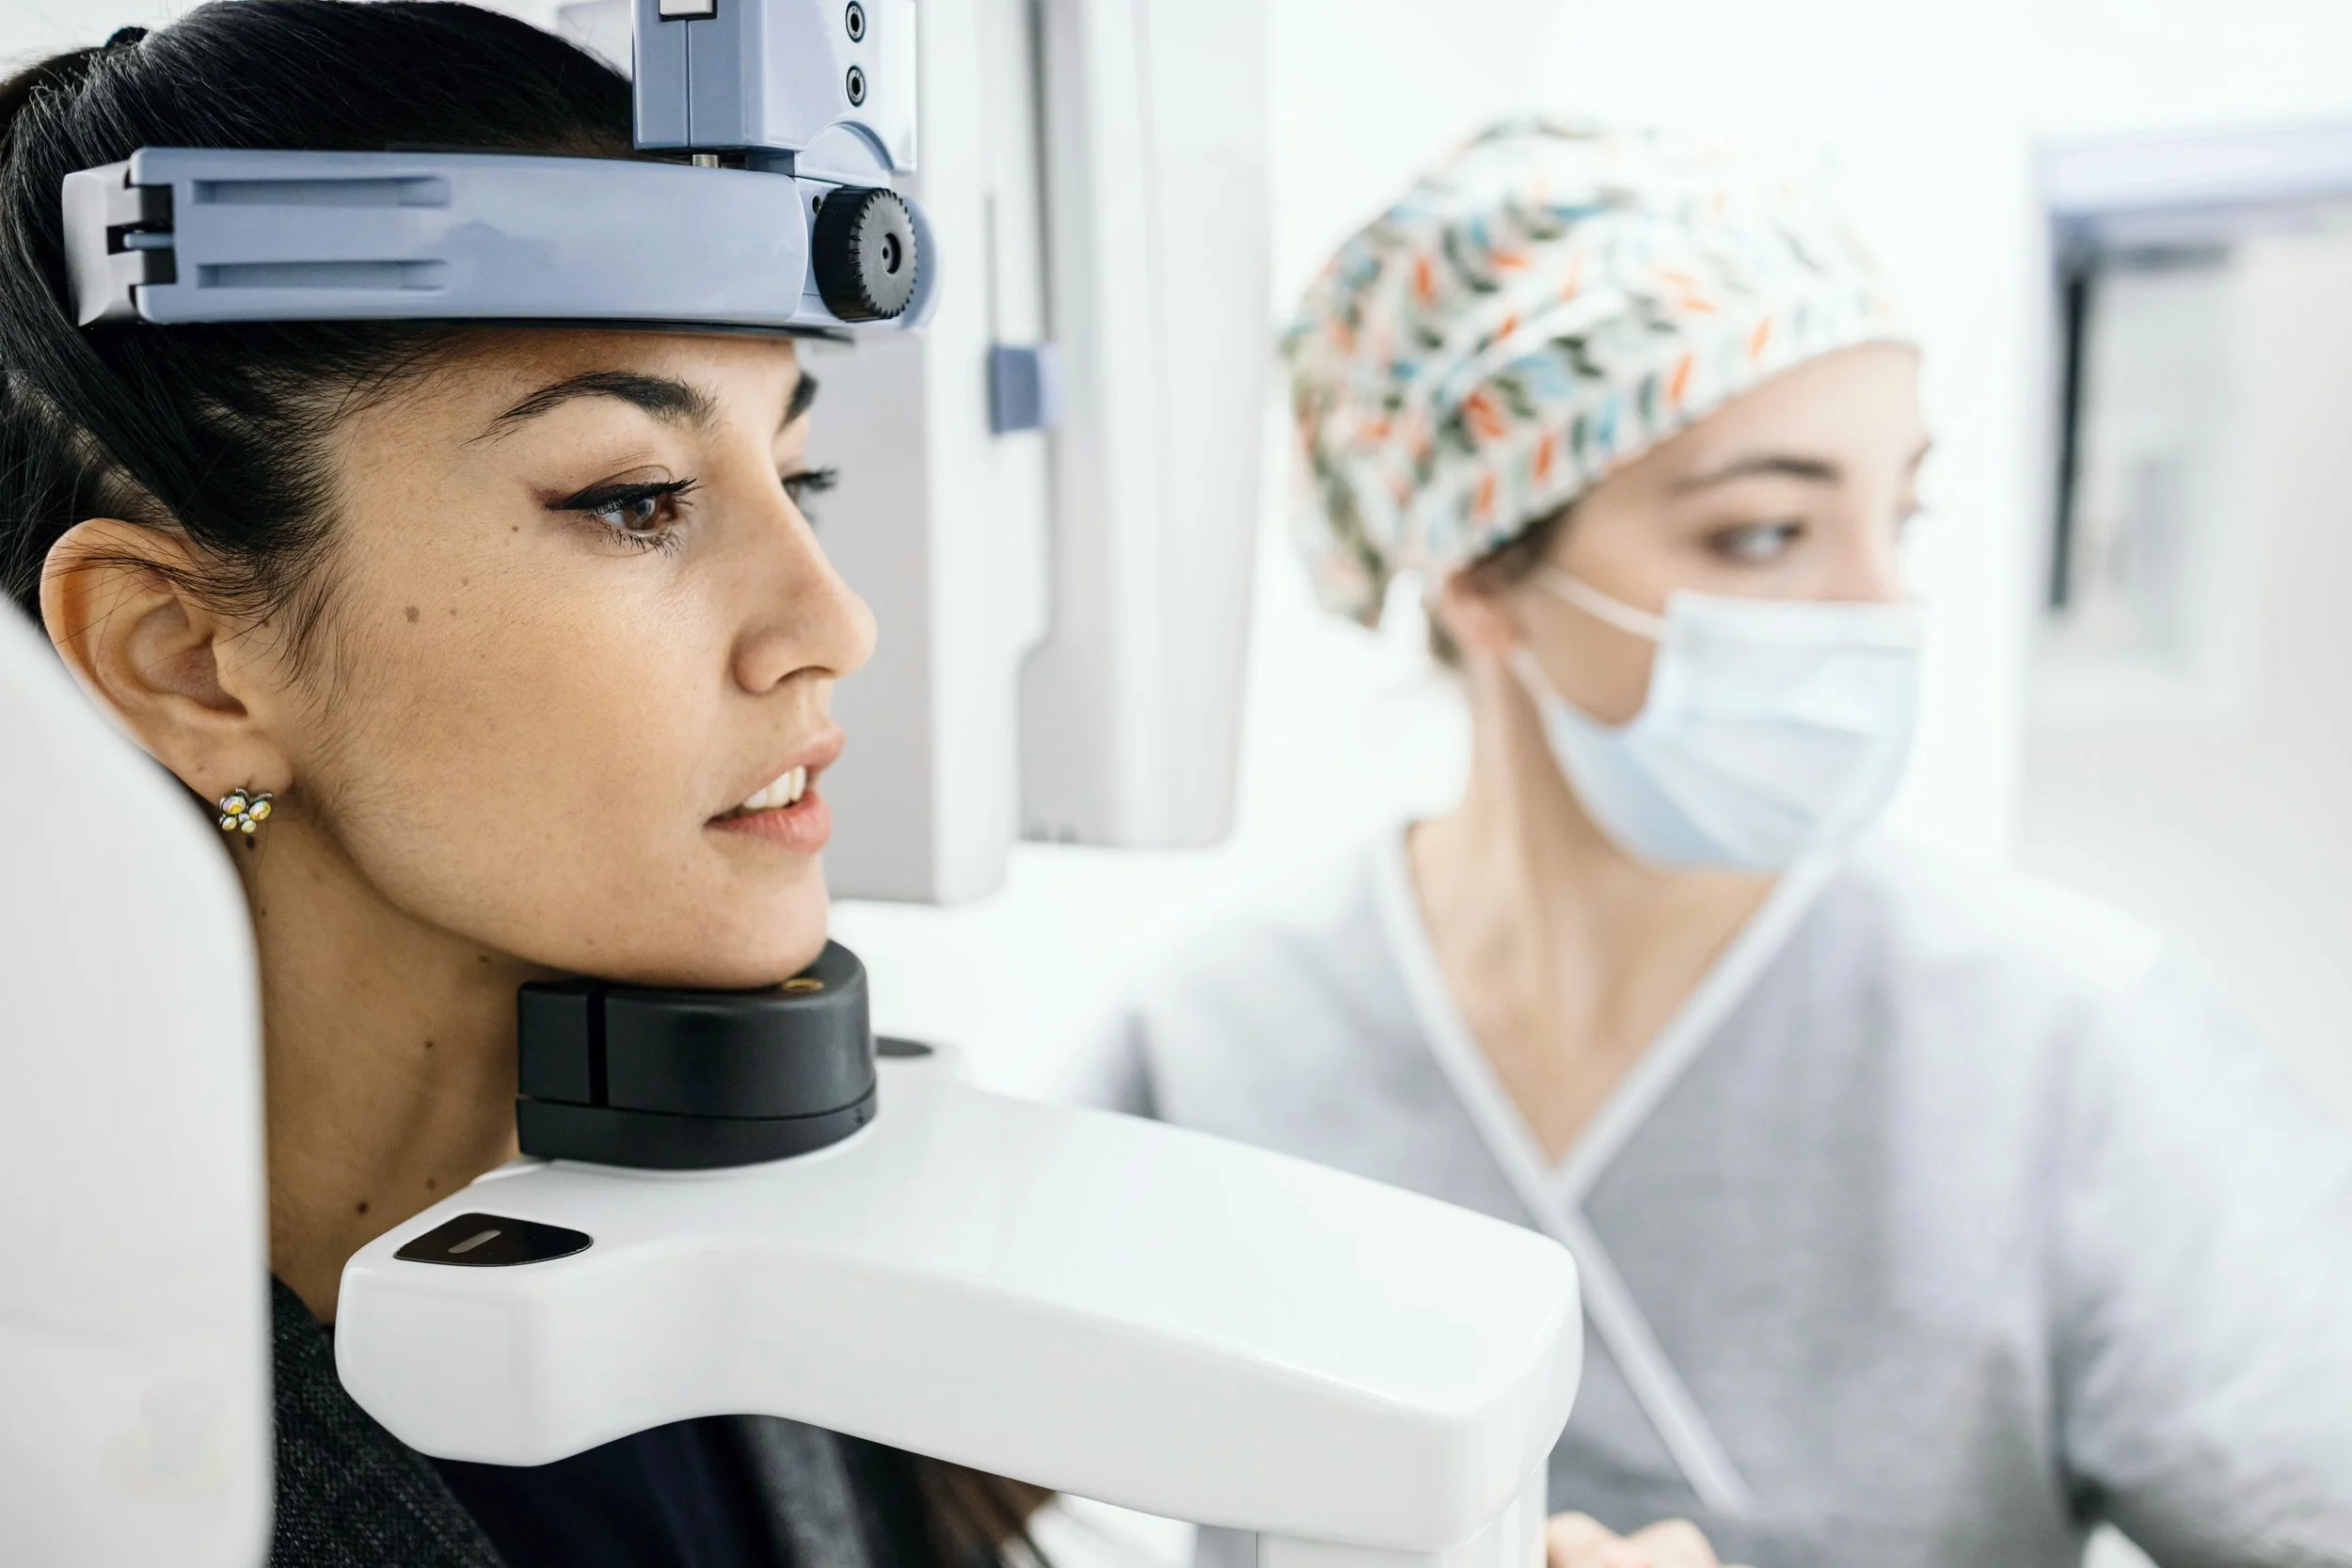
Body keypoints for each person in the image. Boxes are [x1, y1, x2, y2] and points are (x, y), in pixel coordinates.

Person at [1, 12, 1704, 1568]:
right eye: (636, 498)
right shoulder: (86, 1490)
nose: (834, 617)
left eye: (798, 465)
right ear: (182, 659)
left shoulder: (794, 1319)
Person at [1075, 120, 2352, 1568]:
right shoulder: (1207, 1039)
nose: (1880, 608)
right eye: (1763, 534)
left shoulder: (2070, 1051)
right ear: (1484, 567)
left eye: (1902, 514)